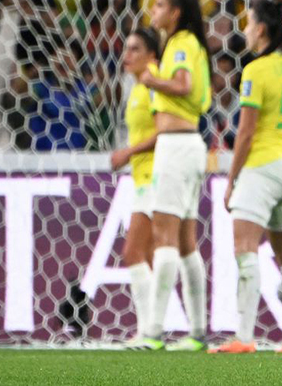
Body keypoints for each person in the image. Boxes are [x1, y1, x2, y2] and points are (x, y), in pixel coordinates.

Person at [208, 0, 282, 354]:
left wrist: (232, 179)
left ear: (262, 29)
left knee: (245, 249)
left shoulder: (255, 71)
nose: (245, 30)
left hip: (261, 167)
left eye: (249, 23)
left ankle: (245, 338)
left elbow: (246, 134)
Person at [137, 0, 212, 351]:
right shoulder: (187, 45)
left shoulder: (181, 43)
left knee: (163, 237)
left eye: (161, 4)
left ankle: (152, 331)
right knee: (184, 243)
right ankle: (197, 332)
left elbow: (182, 85)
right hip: (189, 147)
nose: (154, 10)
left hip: (176, 146)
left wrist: (151, 79)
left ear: (176, 12)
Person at [109, 28, 161, 346]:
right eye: (126, 48)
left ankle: (147, 330)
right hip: (146, 177)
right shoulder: (139, 85)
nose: (127, 55)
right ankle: (152, 330)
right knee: (153, 258)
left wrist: (127, 152)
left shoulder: (154, 82)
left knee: (133, 252)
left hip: (156, 177)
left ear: (152, 55)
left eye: (135, 49)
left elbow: (167, 129)